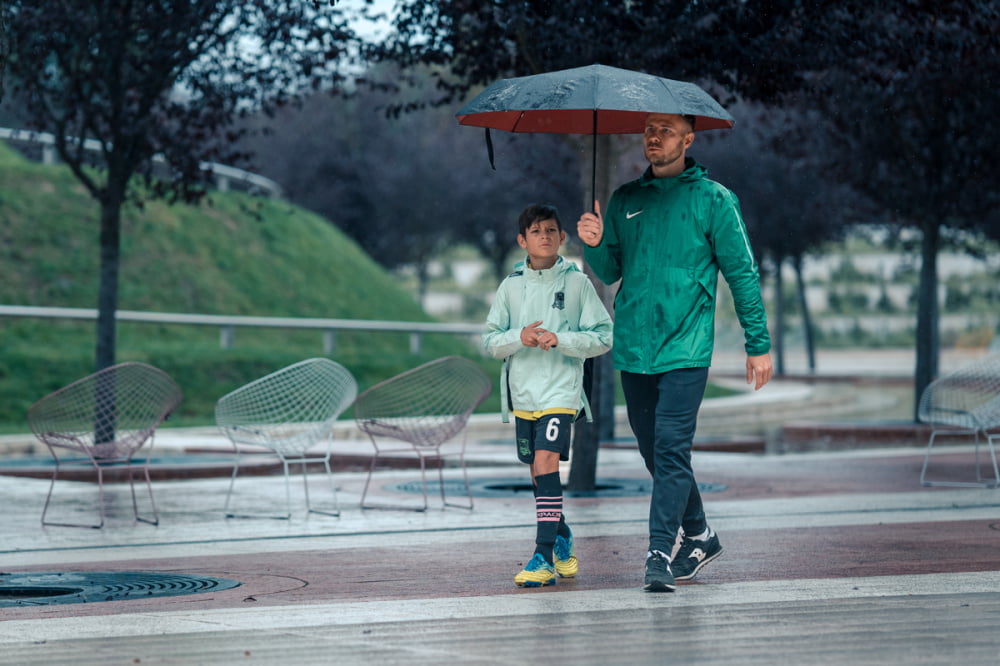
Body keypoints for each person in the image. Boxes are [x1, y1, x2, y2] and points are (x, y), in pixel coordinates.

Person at [577, 113, 773, 592]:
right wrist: (595, 243)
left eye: (665, 130)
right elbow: (608, 271)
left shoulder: (714, 200)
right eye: (648, 130)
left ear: (688, 139)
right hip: (635, 351)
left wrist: (758, 344)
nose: (654, 137)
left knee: (669, 448)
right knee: (655, 452)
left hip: (686, 348)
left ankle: (658, 554)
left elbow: (742, 273)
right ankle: (702, 534)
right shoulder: (625, 199)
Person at [484, 203, 613, 588]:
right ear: (522, 240)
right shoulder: (510, 286)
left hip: (561, 391)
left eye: (552, 230)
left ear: (562, 238)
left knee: (546, 462)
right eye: (536, 231)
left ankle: (542, 557)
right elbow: (490, 341)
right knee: (539, 475)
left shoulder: (577, 283)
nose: (545, 236)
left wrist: (563, 340)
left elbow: (603, 336)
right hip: (524, 394)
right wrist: (517, 337)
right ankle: (562, 535)